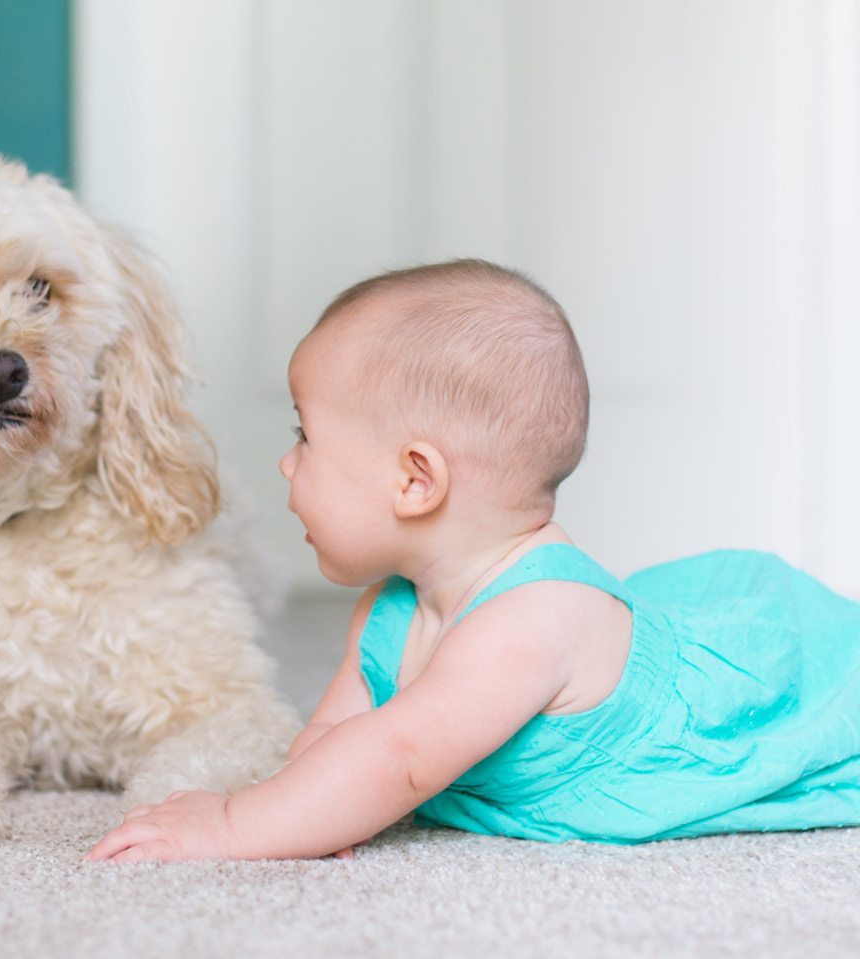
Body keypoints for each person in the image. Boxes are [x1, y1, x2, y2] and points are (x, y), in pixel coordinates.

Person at [86, 258, 860, 863]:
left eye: (305, 438)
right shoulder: (390, 610)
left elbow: (402, 759)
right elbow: (334, 743)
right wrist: (310, 808)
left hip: (748, 698)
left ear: (416, 481)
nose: (287, 466)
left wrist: (230, 826)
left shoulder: (531, 621)